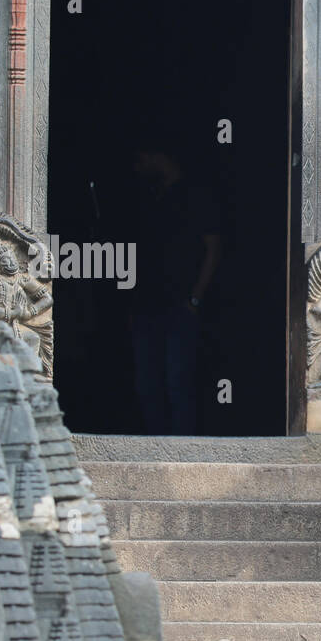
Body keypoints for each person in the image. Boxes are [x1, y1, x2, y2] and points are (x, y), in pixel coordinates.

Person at [127, 135, 223, 434]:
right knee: (147, 384)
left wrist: (195, 298)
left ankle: (180, 453)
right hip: (145, 303)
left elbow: (214, 247)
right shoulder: (149, 197)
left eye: (141, 160)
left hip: (180, 304)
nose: (137, 168)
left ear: (158, 156)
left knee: (178, 381)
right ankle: (154, 449)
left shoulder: (195, 196)